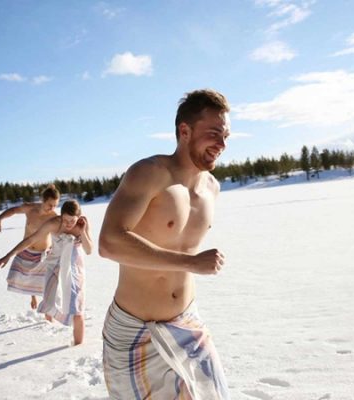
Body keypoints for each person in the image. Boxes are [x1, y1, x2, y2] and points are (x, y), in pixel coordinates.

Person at [98, 89, 231, 399]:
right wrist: (190, 263)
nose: (222, 145)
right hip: (134, 330)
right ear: (184, 131)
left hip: (187, 322)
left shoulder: (212, 187)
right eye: (214, 133)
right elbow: (109, 242)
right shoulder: (150, 173)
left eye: (226, 135)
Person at [0, 200, 93, 345]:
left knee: (77, 309)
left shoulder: (82, 224)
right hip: (55, 267)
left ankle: (78, 347)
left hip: (74, 270)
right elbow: (31, 239)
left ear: (79, 217)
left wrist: (83, 231)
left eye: (72, 220)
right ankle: (50, 324)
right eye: (65, 220)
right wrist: (8, 256)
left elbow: (89, 250)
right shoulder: (53, 223)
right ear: (61, 216)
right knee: (51, 301)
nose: (68, 224)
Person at [0, 185, 60, 310]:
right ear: (43, 201)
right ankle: (33, 296)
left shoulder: (53, 217)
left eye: (55, 205)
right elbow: (13, 210)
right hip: (26, 250)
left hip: (43, 254)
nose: (52, 208)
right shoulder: (30, 208)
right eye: (50, 205)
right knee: (22, 278)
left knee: (46, 285)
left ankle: (48, 313)